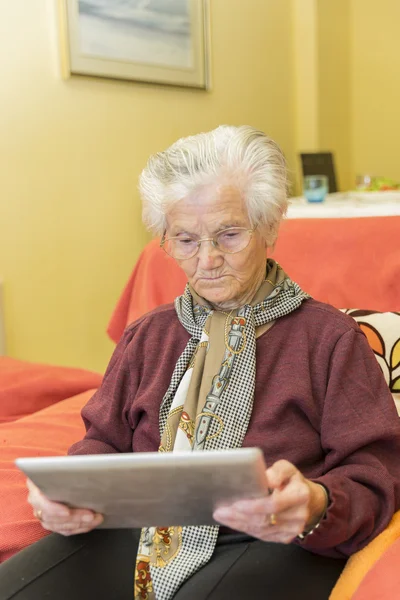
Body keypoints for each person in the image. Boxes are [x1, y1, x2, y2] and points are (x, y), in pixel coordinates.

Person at [1, 125, 400, 600]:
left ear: (269, 225)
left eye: (228, 234)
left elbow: (374, 471)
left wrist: (314, 503)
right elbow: (101, 441)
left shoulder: (330, 338)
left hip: (270, 537)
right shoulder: (147, 335)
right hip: (141, 531)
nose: (207, 259)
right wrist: (67, 496)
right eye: (185, 240)